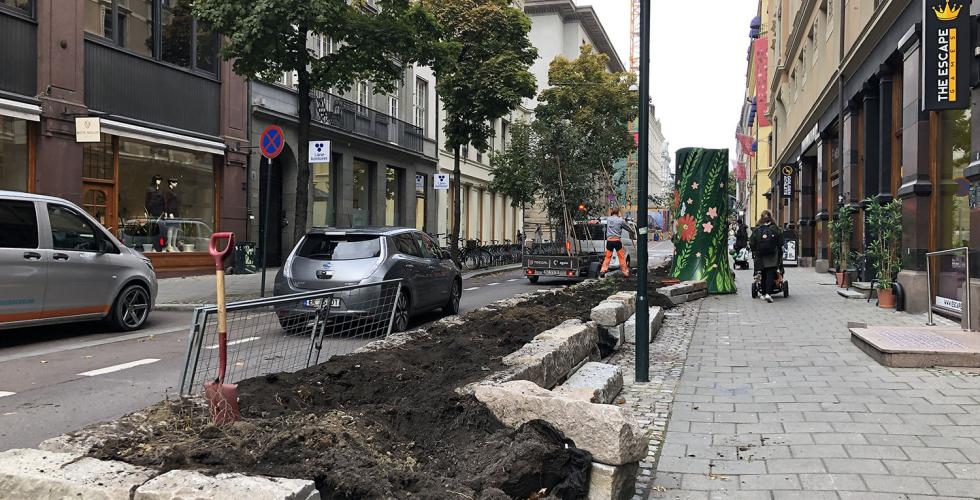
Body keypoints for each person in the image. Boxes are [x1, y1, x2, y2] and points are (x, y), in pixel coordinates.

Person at [749, 210, 784, 303]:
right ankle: (768, 294)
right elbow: (781, 242)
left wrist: (754, 250)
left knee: (763, 274)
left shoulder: (757, 229)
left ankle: (764, 293)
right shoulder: (775, 228)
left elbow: (751, 242)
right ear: (771, 217)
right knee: (770, 273)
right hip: (772, 255)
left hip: (760, 255)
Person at [600, 207, 636, 278]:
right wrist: (632, 231)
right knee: (621, 257)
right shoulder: (620, 220)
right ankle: (625, 272)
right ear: (618, 212)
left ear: (612, 212)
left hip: (609, 241)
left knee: (607, 257)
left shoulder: (608, 219)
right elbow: (627, 228)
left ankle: (603, 270)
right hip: (617, 241)